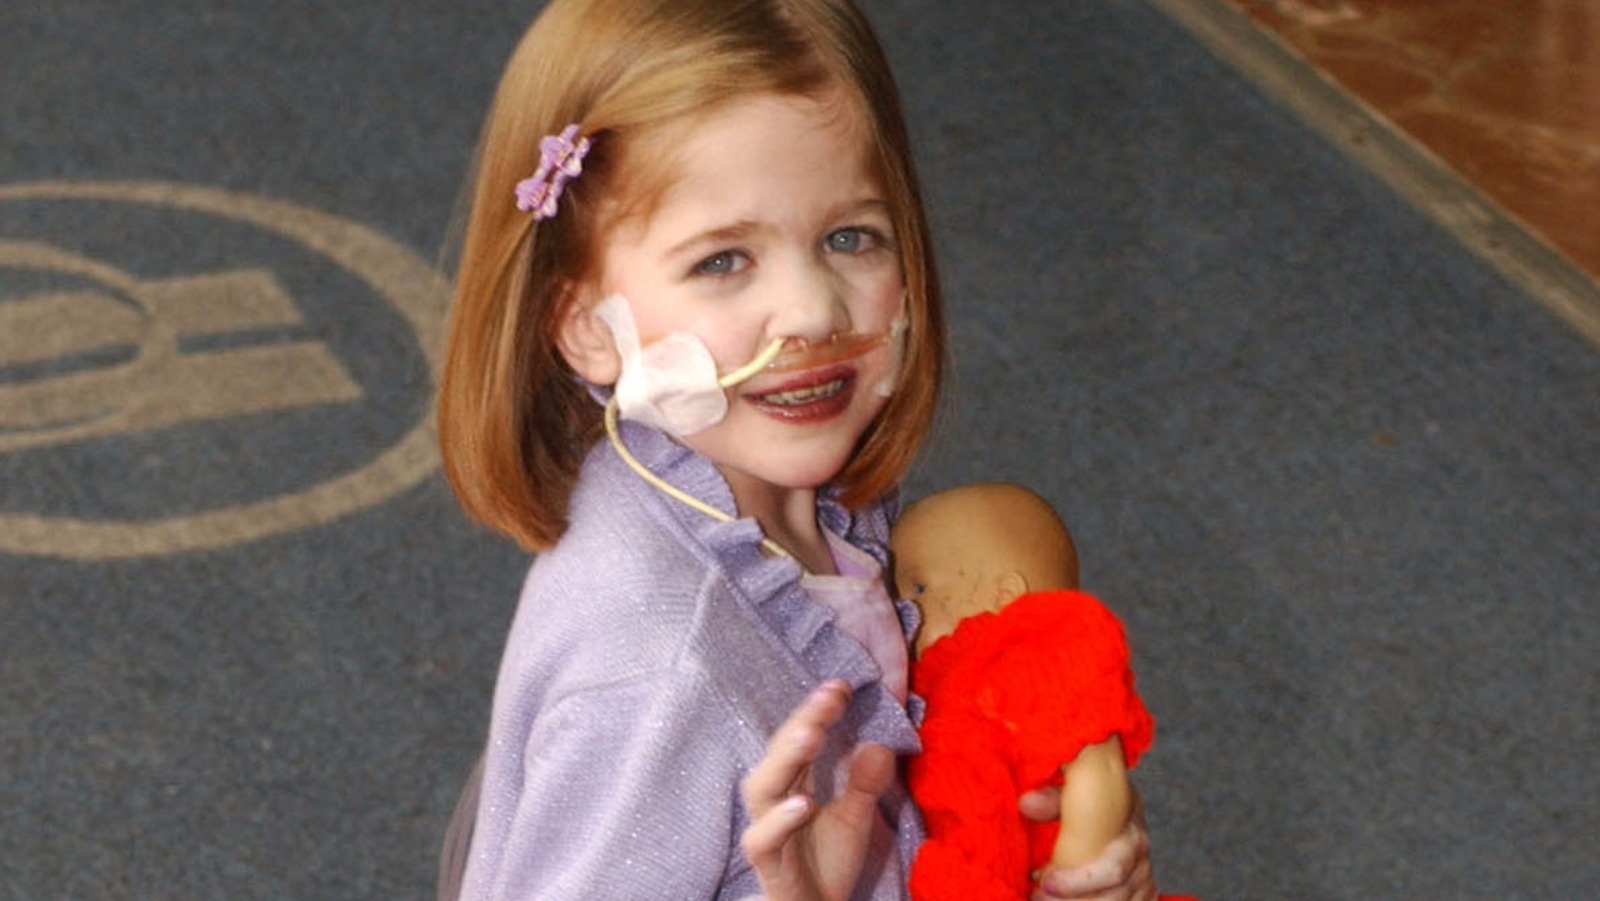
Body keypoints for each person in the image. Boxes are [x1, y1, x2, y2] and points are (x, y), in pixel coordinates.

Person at [435, 1, 1158, 898]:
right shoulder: (663, 670)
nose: (815, 312)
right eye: (722, 260)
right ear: (586, 326)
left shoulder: (798, 498)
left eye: (849, 237)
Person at [892, 484, 1192, 901]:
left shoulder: (1039, 651)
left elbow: (1097, 769)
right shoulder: (934, 693)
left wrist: (1078, 873)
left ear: (1006, 597)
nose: (903, 612)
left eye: (920, 590)